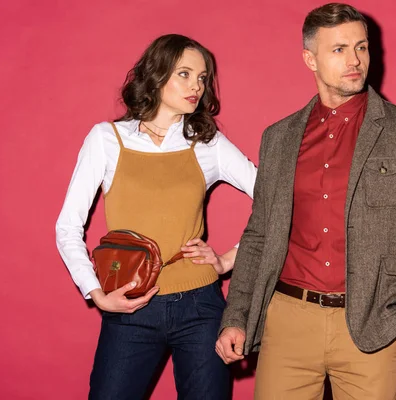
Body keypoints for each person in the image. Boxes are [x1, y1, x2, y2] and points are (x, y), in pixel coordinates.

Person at [216, 3, 396, 399]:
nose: (355, 60)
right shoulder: (278, 138)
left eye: (361, 47)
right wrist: (237, 316)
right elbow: (259, 235)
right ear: (309, 59)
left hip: (371, 326)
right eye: (339, 49)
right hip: (288, 323)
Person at [56, 34, 256, 400]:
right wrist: (96, 293)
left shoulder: (206, 143)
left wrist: (228, 260)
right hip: (131, 304)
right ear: (157, 73)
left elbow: (274, 201)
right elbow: (67, 227)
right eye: (185, 73)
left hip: (201, 306)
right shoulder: (107, 138)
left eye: (203, 77)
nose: (197, 85)